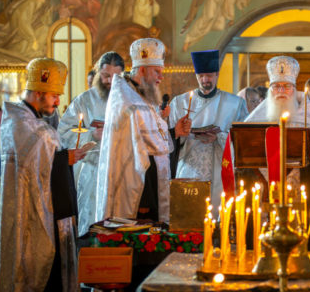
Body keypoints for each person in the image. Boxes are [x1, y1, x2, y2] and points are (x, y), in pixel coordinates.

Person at [0, 58, 87, 292]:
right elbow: (37, 162)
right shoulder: (26, 125)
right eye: (54, 95)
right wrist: (63, 159)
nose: (58, 102)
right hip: (33, 215)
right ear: (39, 93)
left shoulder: (21, 120)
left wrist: (63, 157)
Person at [96, 38, 189, 224]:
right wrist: (145, 199)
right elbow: (133, 156)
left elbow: (152, 144)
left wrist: (174, 133)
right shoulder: (128, 102)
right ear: (143, 69)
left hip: (151, 188)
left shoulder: (141, 96)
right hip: (138, 196)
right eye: (157, 71)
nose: (161, 77)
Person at [245, 56, 310, 209]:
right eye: (276, 86)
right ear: (270, 90)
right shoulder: (256, 120)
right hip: (263, 194)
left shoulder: (308, 119)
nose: (281, 91)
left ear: (294, 90)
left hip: (301, 191)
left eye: (286, 86)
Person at [168, 49, 248, 215]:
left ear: (217, 74)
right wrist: (179, 133)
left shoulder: (235, 103)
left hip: (219, 169)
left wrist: (219, 136)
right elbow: (168, 139)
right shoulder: (179, 102)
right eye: (201, 76)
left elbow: (243, 141)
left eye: (209, 75)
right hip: (189, 168)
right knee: (189, 215)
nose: (205, 80)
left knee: (218, 217)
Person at [58, 51, 125, 236]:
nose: (109, 81)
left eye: (115, 77)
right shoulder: (84, 100)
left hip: (121, 170)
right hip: (92, 171)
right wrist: (91, 134)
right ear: (97, 73)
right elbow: (63, 132)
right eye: (105, 76)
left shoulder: (129, 100)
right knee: (92, 224)